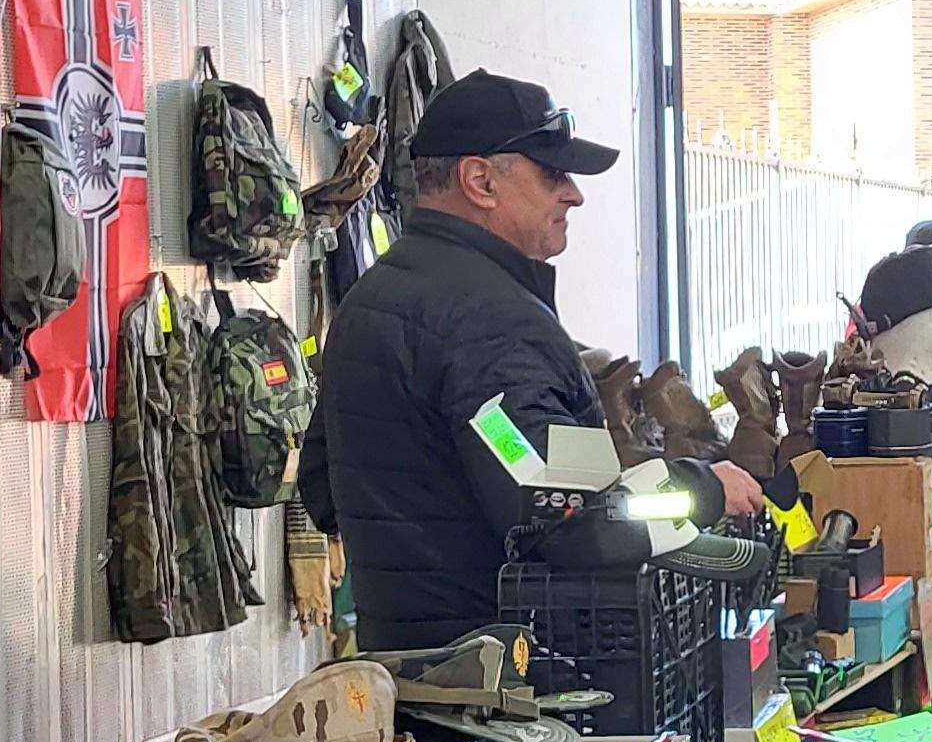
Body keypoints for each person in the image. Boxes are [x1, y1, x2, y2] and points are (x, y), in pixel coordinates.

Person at [300, 70, 758, 651]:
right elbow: (571, 525)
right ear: (480, 181)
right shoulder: (492, 323)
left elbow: (323, 492)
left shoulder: (370, 300)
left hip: (404, 668)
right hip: (512, 677)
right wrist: (702, 488)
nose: (574, 194)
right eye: (552, 174)